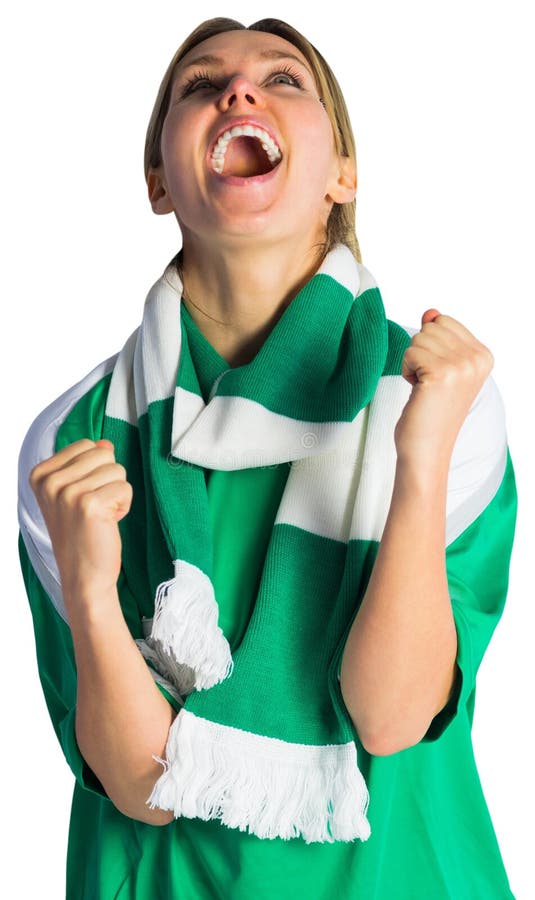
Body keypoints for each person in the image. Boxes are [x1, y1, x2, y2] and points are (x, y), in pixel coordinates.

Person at [17, 16, 517, 900]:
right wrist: (94, 594)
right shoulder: (74, 441)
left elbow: (390, 715)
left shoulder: (436, 394)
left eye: (282, 80)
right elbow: (141, 786)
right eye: (199, 85)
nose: (237, 93)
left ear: (341, 176)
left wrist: (421, 459)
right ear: (158, 181)